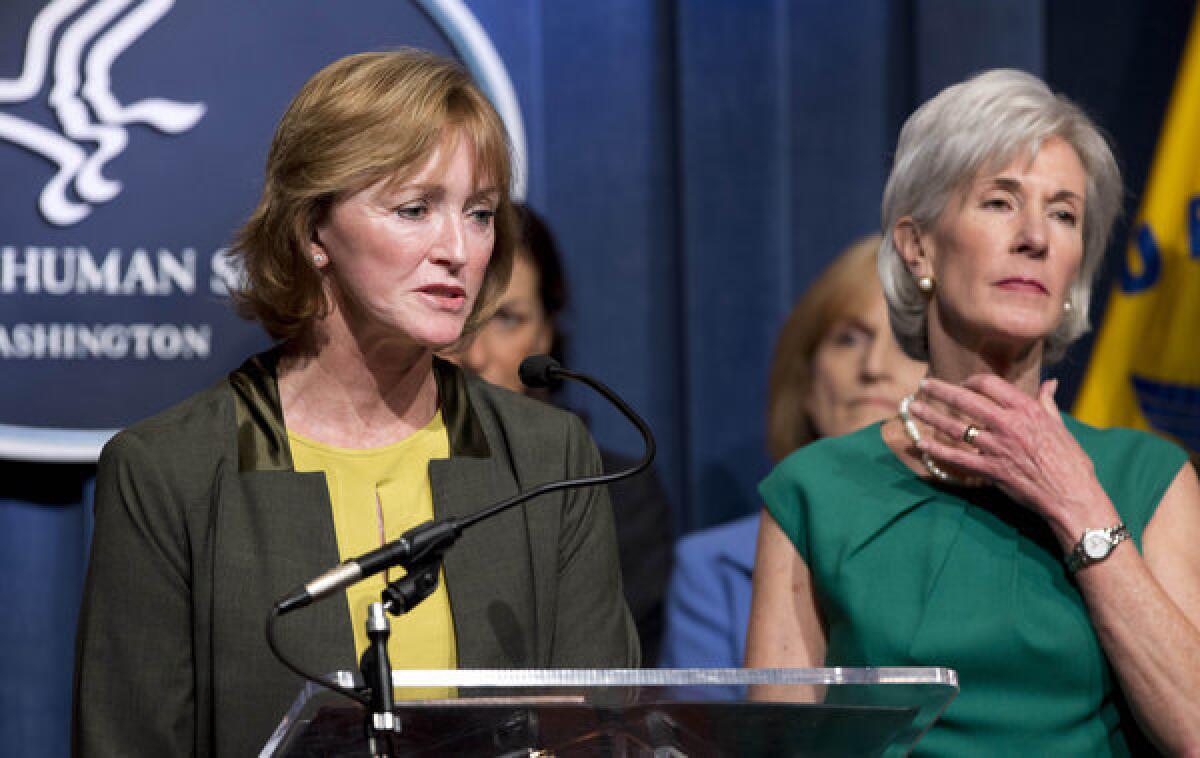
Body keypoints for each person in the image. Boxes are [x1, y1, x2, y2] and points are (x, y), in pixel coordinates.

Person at [72, 50, 638, 757]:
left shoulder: (546, 456)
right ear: (313, 231)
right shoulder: (170, 471)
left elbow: (600, 736)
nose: (458, 248)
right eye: (414, 209)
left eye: (481, 213)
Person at [746, 69, 1200, 754]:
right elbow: (778, 747)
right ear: (917, 245)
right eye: (999, 202)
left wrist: (1077, 502)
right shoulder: (817, 492)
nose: (1035, 238)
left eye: (1063, 213)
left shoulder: (1150, 479)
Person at [658, 234, 925, 669]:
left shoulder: (980, 550)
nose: (874, 366)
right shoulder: (711, 568)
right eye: (848, 339)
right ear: (806, 380)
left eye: (907, 343)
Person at [458, 204, 674, 665]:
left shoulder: (615, 490)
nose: (475, 354)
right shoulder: (382, 476)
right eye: (457, 311)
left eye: (506, 318)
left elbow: (607, 689)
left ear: (545, 334)